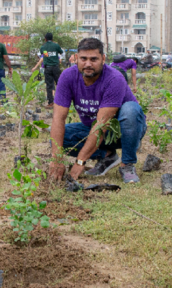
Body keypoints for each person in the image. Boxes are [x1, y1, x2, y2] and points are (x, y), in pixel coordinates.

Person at [48, 37, 146, 184]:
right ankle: (107, 155)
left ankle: (127, 164)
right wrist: (56, 159)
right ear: (76, 59)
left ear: (103, 59)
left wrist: (80, 162)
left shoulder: (114, 79)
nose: (88, 64)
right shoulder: (68, 77)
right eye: (83, 59)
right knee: (59, 138)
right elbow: (58, 119)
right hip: (93, 128)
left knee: (130, 109)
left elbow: (101, 125)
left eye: (94, 59)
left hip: (123, 130)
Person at [31, 32, 64, 108]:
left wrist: (48, 58)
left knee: (49, 86)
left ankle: (50, 102)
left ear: (45, 39)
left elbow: (45, 55)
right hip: (56, 67)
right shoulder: (56, 46)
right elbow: (61, 53)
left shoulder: (44, 47)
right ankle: (61, 102)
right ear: (52, 39)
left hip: (48, 68)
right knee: (59, 84)